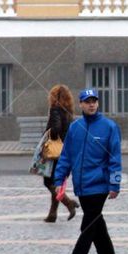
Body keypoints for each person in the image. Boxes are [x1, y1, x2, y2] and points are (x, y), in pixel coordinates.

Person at [54, 88, 122, 254]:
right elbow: (66, 156)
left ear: (98, 104)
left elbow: (115, 158)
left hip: (99, 185)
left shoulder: (109, 127)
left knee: (89, 223)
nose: (91, 104)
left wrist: (114, 184)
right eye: (87, 101)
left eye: (94, 101)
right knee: (97, 226)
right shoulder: (75, 128)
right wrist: (60, 180)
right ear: (81, 104)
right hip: (82, 186)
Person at [41, 85, 79, 223]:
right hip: (66, 151)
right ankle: (52, 214)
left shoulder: (55, 110)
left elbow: (56, 129)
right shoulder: (68, 112)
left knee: (48, 182)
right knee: (56, 181)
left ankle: (68, 203)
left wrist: (47, 134)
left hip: (54, 152)